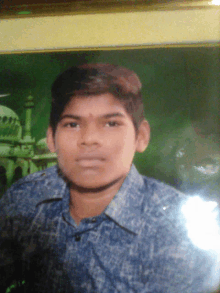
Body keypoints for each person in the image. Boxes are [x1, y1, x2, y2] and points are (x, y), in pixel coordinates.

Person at [0, 63, 219, 293]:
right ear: (51, 138)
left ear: (141, 137)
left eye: (111, 123)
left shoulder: (180, 231)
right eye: (72, 124)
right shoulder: (24, 199)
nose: (90, 139)